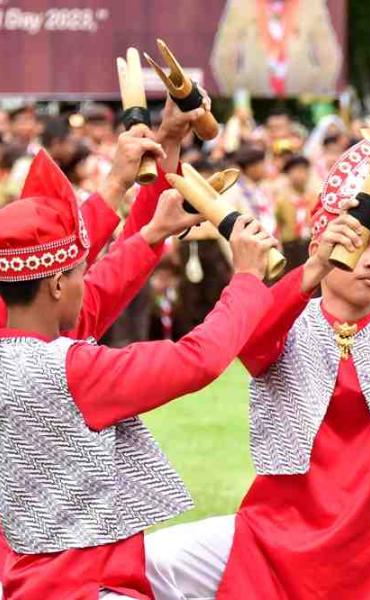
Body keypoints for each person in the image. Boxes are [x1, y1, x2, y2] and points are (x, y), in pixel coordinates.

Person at [142, 140, 370, 600]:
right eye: (362, 245)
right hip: (272, 543)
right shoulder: (286, 323)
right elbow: (247, 338)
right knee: (121, 566)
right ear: (322, 245)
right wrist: (311, 269)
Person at [0, 143, 282, 599]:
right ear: (55, 285)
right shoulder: (74, 369)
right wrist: (246, 279)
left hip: (32, 581)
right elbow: (197, 360)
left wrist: (153, 233)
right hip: (91, 588)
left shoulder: (21, 355)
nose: (84, 283)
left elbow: (94, 300)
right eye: (77, 273)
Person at [210, 0, 343, 97]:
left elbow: (330, 57)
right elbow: (223, 58)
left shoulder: (312, 4)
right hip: (255, 90)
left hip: (300, 90)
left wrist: (314, 93)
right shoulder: (241, 4)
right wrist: (239, 93)